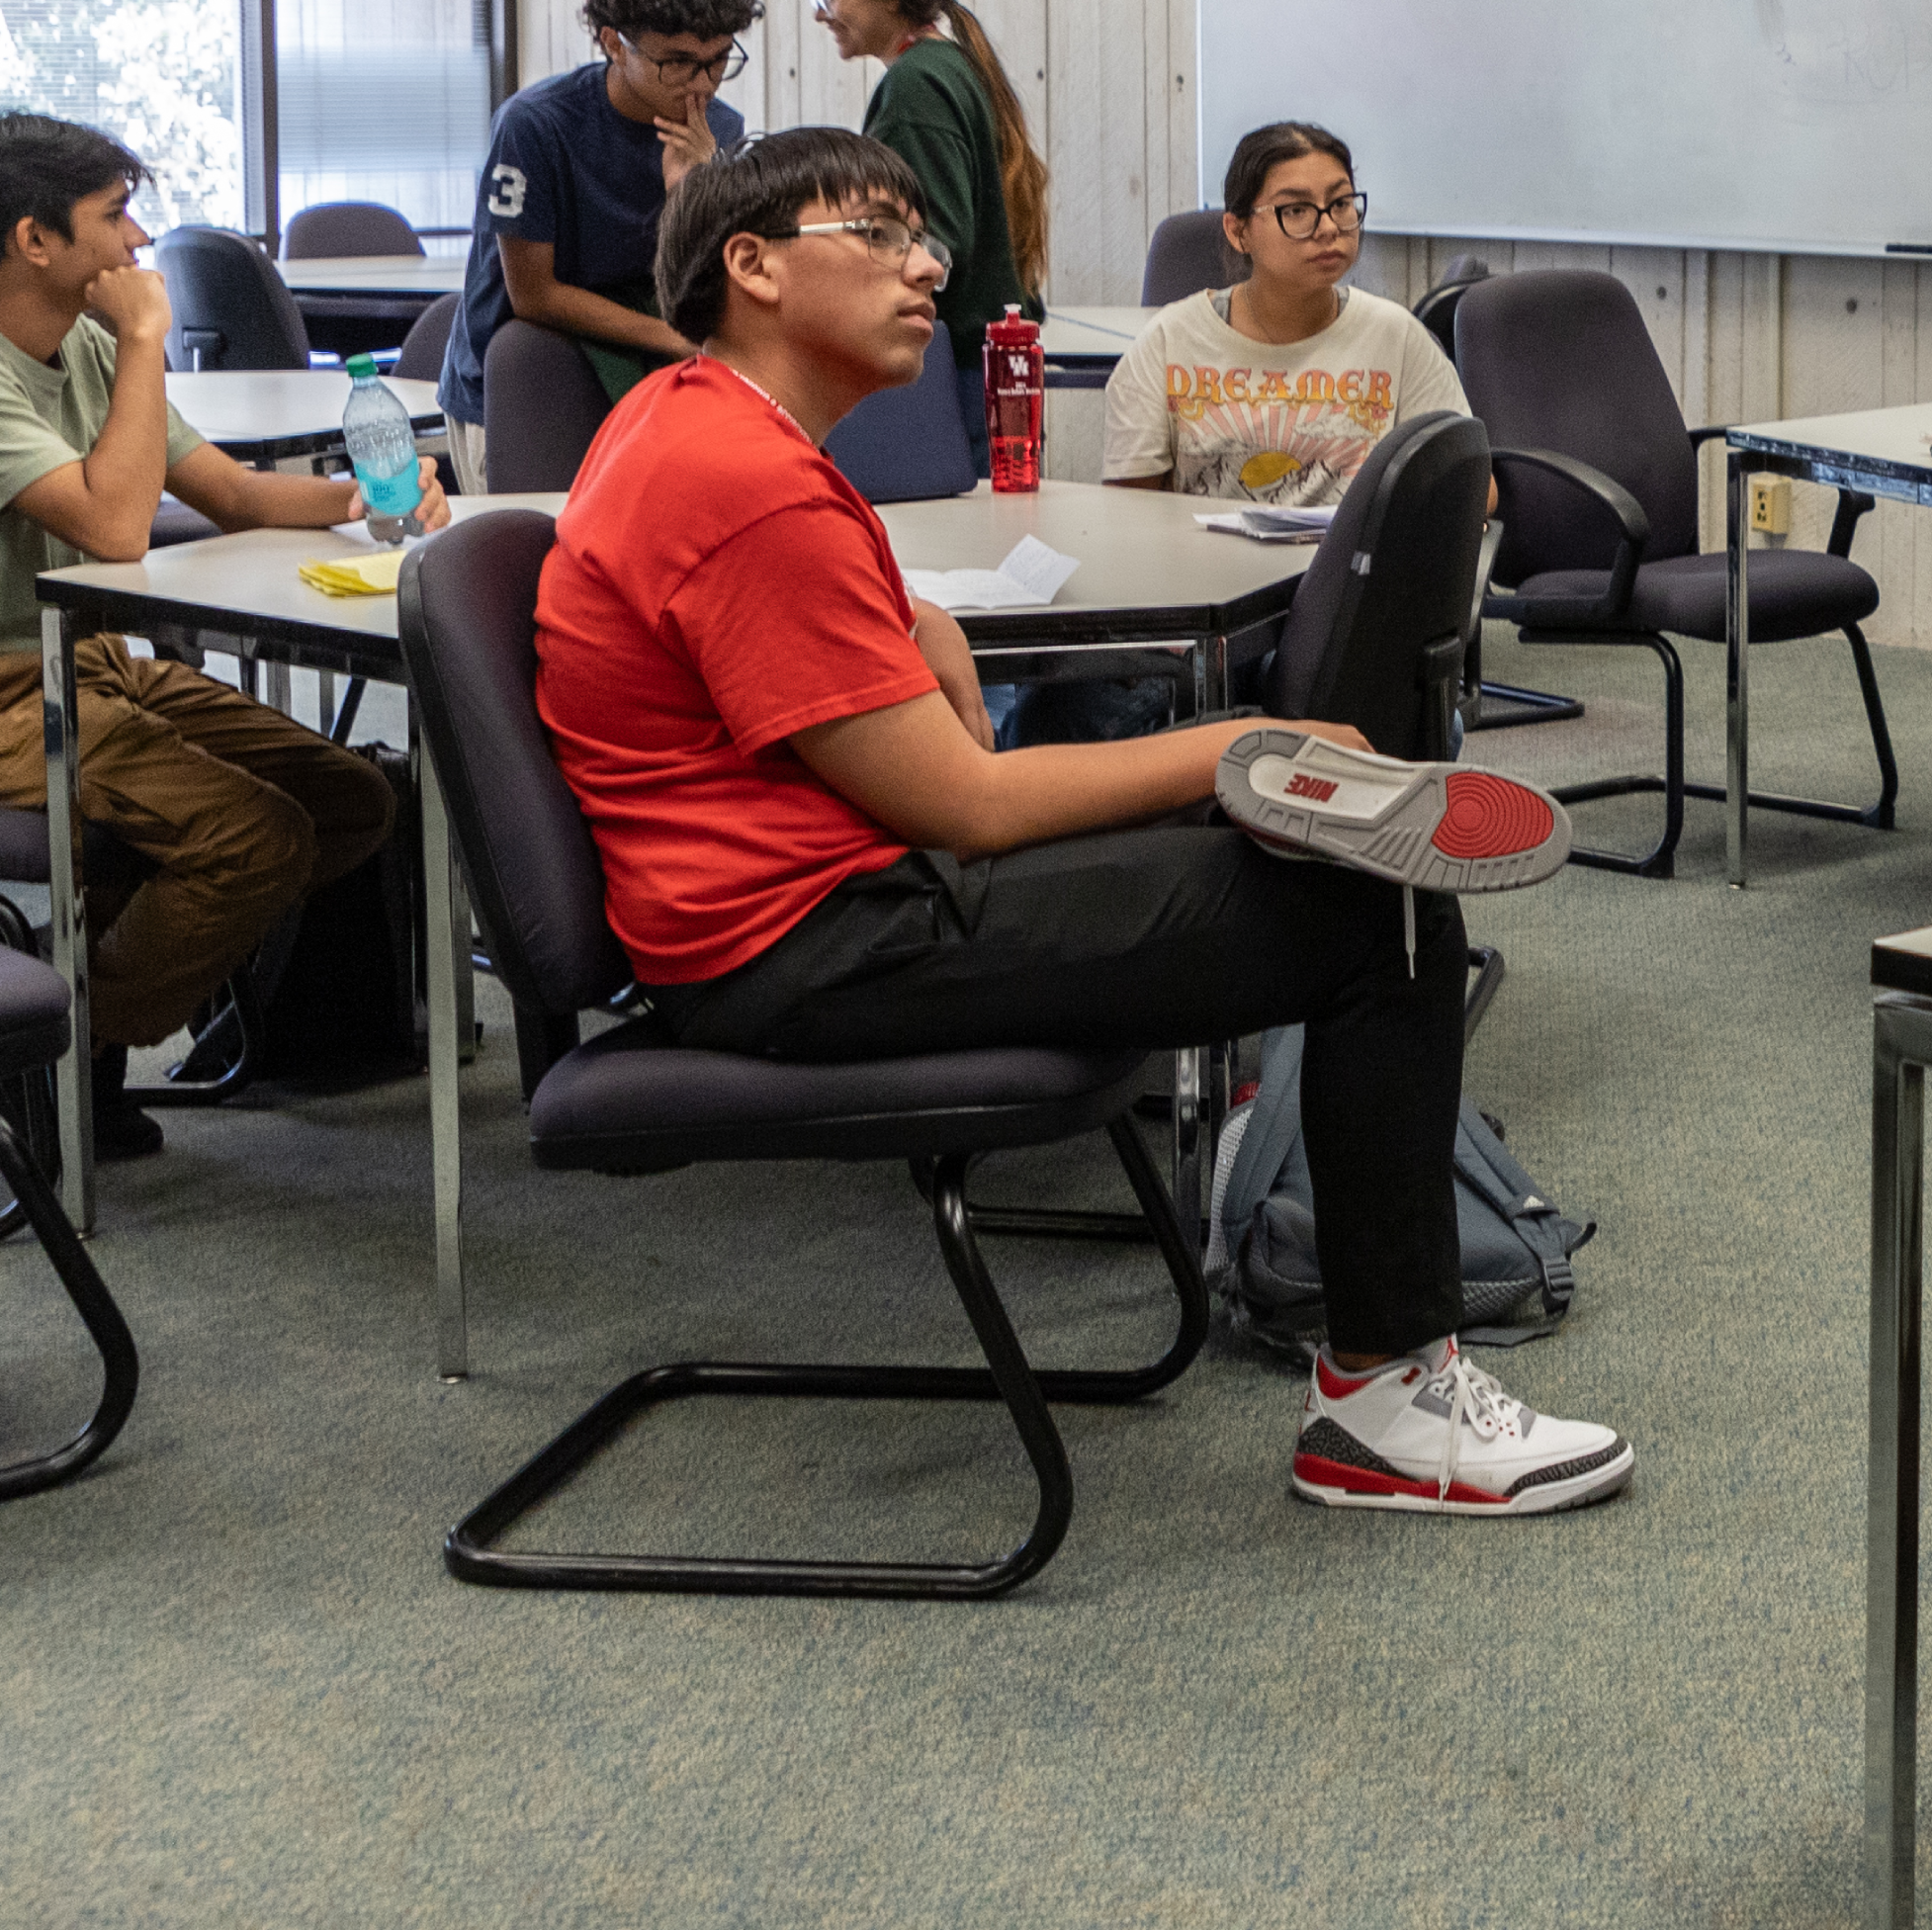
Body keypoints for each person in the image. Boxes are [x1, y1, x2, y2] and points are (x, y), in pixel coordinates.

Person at [533, 126, 1630, 1517]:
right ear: (748, 264)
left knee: (1330, 860)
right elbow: (972, 802)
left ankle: (1364, 1337)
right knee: (1375, 902)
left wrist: (916, 625)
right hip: (809, 944)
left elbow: (881, 674)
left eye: (919, 235)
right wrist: (1237, 738)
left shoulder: (700, 423)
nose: (924, 263)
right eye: (873, 235)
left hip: (816, 897)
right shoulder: (744, 480)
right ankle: (1386, 1403)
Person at [0, 115, 447, 1157]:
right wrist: (151, 336)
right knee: (254, 833)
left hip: (79, 671)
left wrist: (367, 496)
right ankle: (48, 1049)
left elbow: (232, 491)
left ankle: (68, 1028)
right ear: (35, 240)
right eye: (113, 215)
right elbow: (115, 523)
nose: (138, 240)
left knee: (349, 799)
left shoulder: (88, 346)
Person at [444, 0, 756, 451]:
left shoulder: (719, 128)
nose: (702, 84)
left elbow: (703, 278)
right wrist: (672, 338)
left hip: (646, 391)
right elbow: (534, 295)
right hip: (522, 388)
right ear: (614, 43)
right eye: (676, 63)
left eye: (718, 60)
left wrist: (693, 194)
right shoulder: (536, 124)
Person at [1098, 122, 1463, 510]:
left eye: (1340, 204)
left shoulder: (1398, 337)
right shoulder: (1168, 340)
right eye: (1297, 210)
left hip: (1349, 568)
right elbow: (1129, 511)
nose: (1327, 228)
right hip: (1206, 566)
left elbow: (1472, 488)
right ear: (1238, 232)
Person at [805, 0, 1045, 453]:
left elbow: (933, 247)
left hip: (951, 374)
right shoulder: (947, 65)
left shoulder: (917, 87)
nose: (821, 14)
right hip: (980, 369)